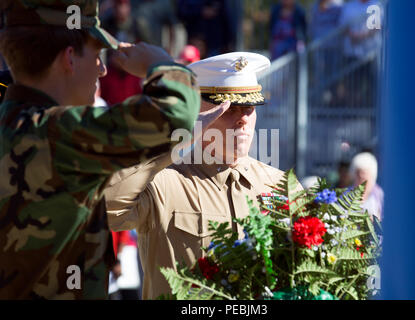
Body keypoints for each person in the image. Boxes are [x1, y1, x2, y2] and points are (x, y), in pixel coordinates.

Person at [0, 0, 201, 299]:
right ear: (69, 58)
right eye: (96, 55)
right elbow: (174, 115)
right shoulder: (58, 133)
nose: (103, 70)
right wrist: (161, 64)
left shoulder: (12, 122)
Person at [104, 52, 302, 299]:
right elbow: (105, 207)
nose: (242, 119)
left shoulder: (281, 185)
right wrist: (174, 138)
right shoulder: (163, 181)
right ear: (197, 112)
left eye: (249, 108)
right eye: (228, 109)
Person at [349, 152, 384, 221]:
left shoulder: (380, 194)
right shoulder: (346, 194)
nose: (361, 176)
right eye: (357, 173)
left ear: (372, 174)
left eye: (364, 173)